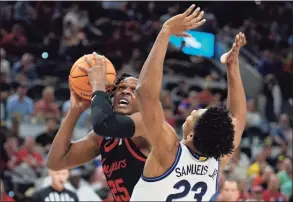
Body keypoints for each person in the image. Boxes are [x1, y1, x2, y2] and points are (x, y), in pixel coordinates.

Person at [126, 5, 246, 201]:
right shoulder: (216, 162)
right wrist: (232, 67)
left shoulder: (169, 151)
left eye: (197, 114)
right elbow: (238, 117)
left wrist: (165, 32)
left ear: (191, 134)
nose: (195, 110)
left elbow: (145, 93)